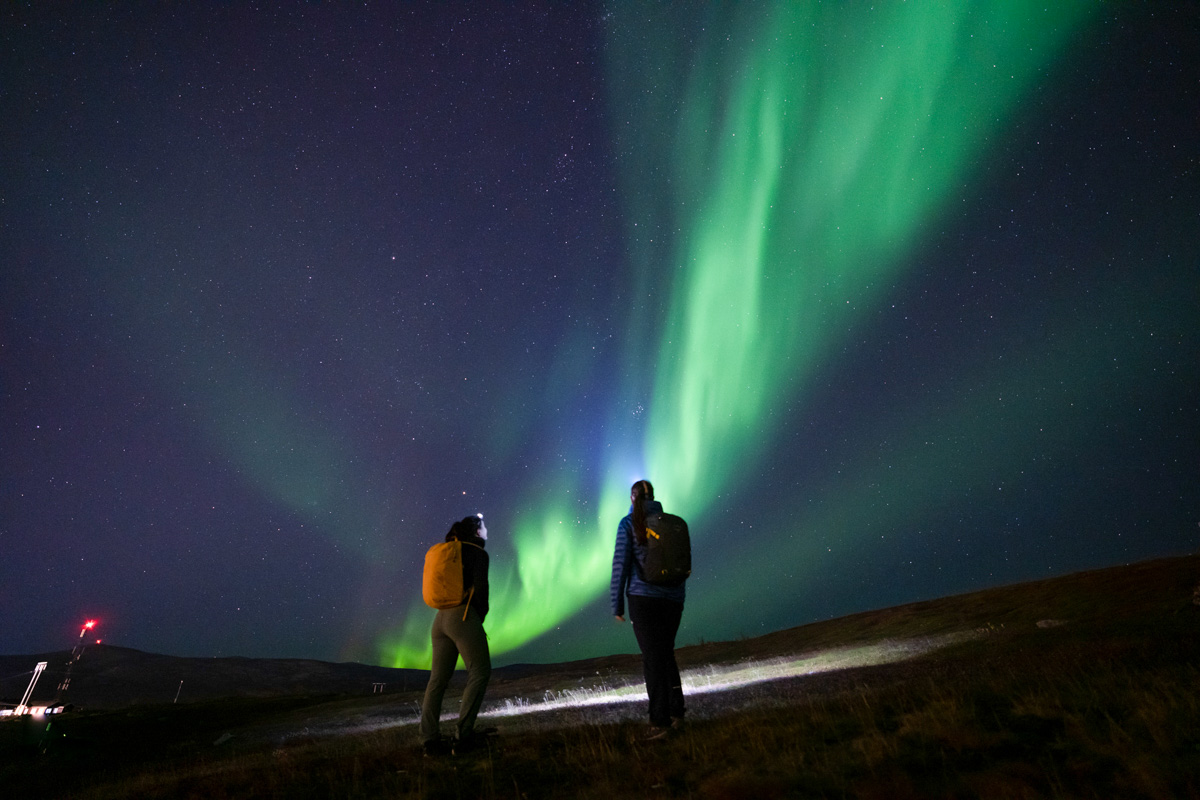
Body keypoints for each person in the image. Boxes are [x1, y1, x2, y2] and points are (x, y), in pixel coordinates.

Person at [611, 479, 686, 738]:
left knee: (653, 659)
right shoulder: (671, 522)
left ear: (633, 498)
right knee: (665, 654)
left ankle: (659, 722)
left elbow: (620, 566)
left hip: (644, 599)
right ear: (653, 496)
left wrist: (616, 604)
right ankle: (677, 713)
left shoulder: (629, 523)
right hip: (674, 599)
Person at [420, 514, 493, 756]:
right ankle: (463, 738)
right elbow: (481, 588)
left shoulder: (450, 551)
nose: (486, 531)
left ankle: (429, 742)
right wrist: (478, 617)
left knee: (437, 681)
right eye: (483, 527)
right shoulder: (477, 553)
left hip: (439, 619)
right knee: (480, 671)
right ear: (476, 532)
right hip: (461, 617)